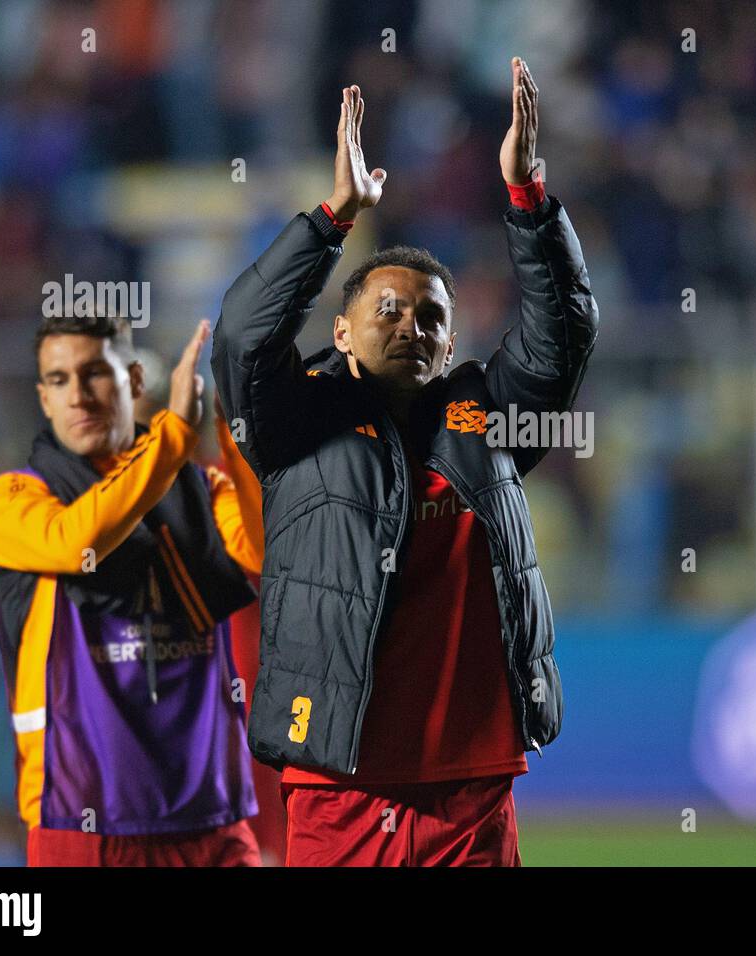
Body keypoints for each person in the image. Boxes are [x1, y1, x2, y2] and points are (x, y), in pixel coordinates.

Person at [212, 58, 598, 866]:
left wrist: (527, 199)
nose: (410, 324)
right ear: (341, 333)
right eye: (385, 308)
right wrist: (333, 218)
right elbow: (245, 338)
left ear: (452, 342)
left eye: (431, 316)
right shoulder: (296, 424)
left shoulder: (485, 419)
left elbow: (562, 338)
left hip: (472, 786)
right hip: (342, 787)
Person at [0, 313, 265, 866]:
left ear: (134, 382)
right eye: (58, 381)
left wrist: (234, 425)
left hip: (212, 816)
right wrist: (173, 436)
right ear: (42, 399)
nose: (78, 396)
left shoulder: (202, 485)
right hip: (84, 822)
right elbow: (74, 540)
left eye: (94, 374)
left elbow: (267, 554)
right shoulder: (12, 498)